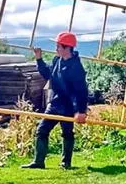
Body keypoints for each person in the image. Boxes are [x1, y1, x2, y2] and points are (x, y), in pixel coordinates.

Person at [22, 31, 88, 170]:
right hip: (55, 103)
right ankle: (38, 162)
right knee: (42, 130)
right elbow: (47, 74)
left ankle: (66, 163)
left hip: (68, 106)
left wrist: (81, 111)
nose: (56, 49)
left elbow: (81, 91)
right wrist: (39, 59)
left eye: (58, 46)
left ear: (66, 48)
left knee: (67, 133)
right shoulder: (57, 60)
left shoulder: (76, 68)